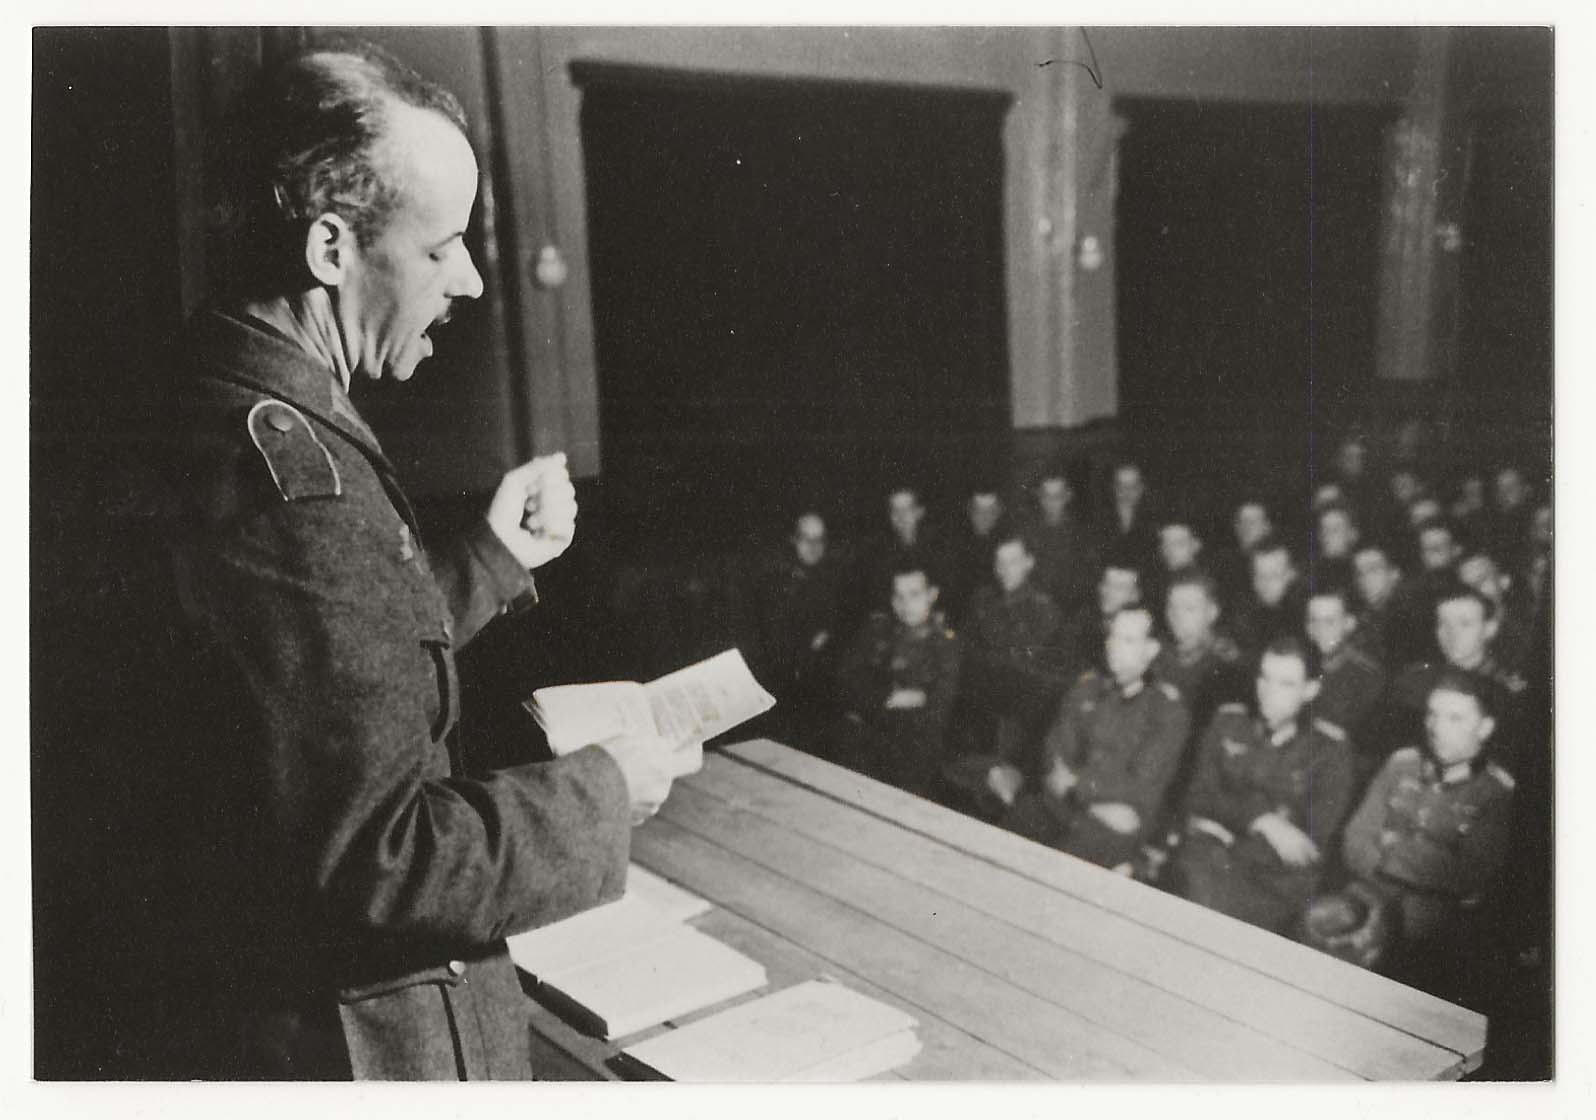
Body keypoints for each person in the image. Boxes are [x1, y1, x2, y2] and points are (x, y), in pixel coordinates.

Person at [137, 44, 702, 1080]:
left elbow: (317, 679)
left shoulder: (225, 389)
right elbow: (379, 859)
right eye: (443, 246)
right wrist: (603, 794)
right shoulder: (290, 479)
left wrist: (486, 557)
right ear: (330, 246)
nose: (472, 279)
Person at [1310, 671, 1515, 1006]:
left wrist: (1390, 848)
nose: (1436, 727)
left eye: (1455, 718)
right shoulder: (1401, 764)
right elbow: (1354, 841)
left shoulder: (1496, 793)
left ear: (1485, 728)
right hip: (1366, 895)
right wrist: (1424, 856)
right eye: (1432, 714)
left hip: (1430, 927)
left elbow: (1467, 875)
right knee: (1315, 931)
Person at [1175, 637, 1354, 936]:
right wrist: (1263, 820)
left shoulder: (1330, 751)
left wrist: (1225, 833)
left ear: (1310, 690)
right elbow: (1196, 795)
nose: (1268, 693)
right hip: (1207, 867)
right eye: (1264, 678)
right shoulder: (1228, 722)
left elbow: (1305, 848)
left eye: (1286, 684)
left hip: (1274, 887)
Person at [999, 606, 1191, 873]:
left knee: (1059, 869)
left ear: (1151, 650)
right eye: (1112, 636)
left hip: (1111, 832)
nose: (1114, 646)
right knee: (1006, 838)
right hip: (1067, 809)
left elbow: (1139, 786)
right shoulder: (1085, 689)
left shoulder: (1167, 712)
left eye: (1128, 640)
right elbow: (1055, 753)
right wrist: (1085, 795)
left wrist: (1076, 785)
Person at [941, 533, 1067, 815]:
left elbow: (1029, 679)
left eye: (1013, 561)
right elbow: (964, 651)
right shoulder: (982, 599)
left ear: (1029, 563)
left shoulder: (1044, 609)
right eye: (999, 561)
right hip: (975, 709)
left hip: (1013, 718)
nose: (1004, 568)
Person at [834, 565, 962, 799]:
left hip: (911, 752)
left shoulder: (945, 645)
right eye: (899, 596)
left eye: (914, 595)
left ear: (932, 595)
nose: (906, 604)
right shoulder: (878, 628)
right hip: (865, 740)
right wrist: (889, 698)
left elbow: (937, 711)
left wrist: (872, 699)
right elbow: (845, 680)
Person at [749, 510, 842, 725]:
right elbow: (774, 644)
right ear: (793, 539)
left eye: (819, 539)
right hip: (784, 687)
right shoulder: (775, 582)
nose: (813, 545)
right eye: (805, 538)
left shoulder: (833, 577)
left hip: (823, 684)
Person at [1304, 585, 1386, 746]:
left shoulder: (1367, 675)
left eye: (1329, 622)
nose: (1320, 630)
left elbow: (1363, 742)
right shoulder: (1302, 665)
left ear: (1349, 623)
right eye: (1314, 621)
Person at [1022, 466, 1100, 614]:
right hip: (1033, 609)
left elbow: (1089, 580)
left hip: (1071, 611)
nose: (1051, 503)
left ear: (1068, 495)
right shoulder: (1025, 533)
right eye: (1046, 496)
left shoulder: (1083, 535)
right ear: (1038, 495)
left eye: (1057, 496)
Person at [1230, 536, 1305, 663]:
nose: (1265, 583)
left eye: (1274, 575)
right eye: (1260, 575)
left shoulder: (1306, 615)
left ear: (1292, 574)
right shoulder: (1243, 613)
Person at [943, 484, 1008, 623]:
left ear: (998, 513)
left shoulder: (1007, 544)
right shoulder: (955, 543)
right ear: (970, 512)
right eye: (978, 511)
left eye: (990, 511)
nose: (984, 517)